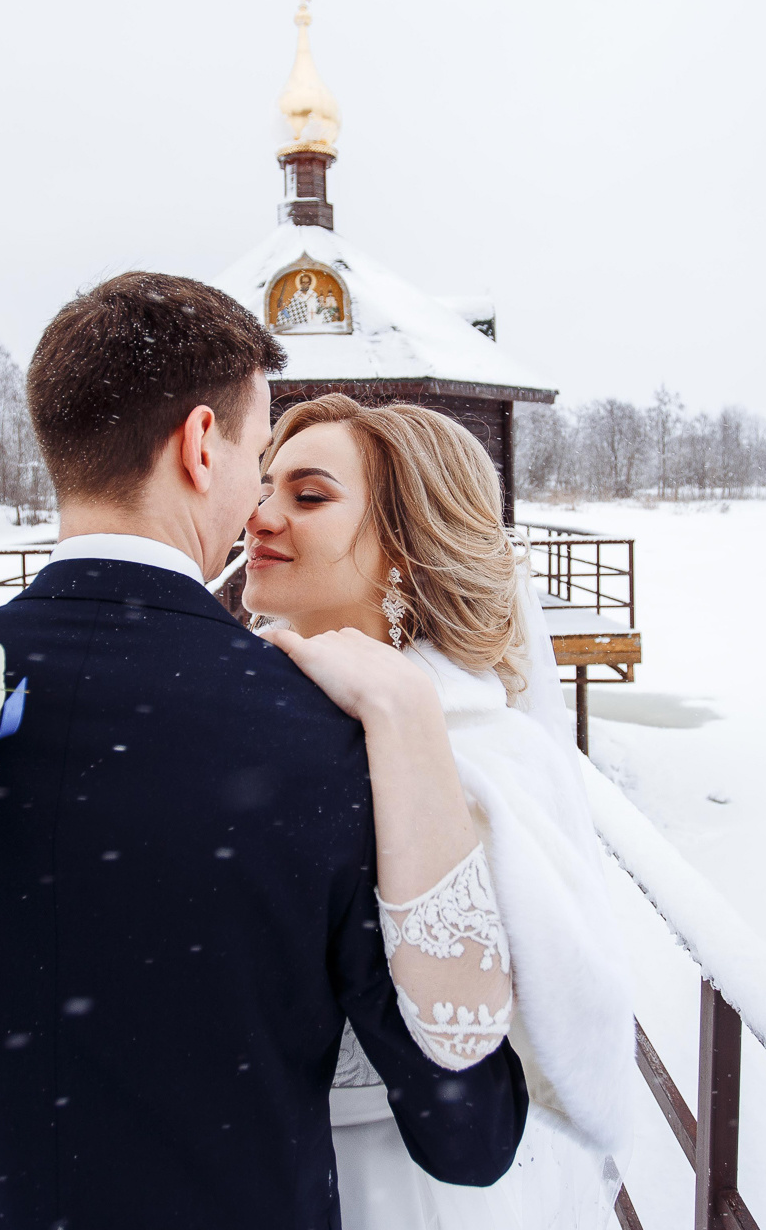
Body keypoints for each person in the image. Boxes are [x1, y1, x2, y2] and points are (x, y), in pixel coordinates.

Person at [0, 273, 528, 1230]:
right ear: (202, 445)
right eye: (262, 453)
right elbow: (469, 1132)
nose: (260, 498)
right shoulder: (323, 735)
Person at [244, 394, 635, 1230]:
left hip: (407, 1182)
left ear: (406, 554)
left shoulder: (483, 754)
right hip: (249, 1168)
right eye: (262, 483)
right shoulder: (235, 712)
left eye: (308, 497)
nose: (260, 515)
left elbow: (484, 1033)